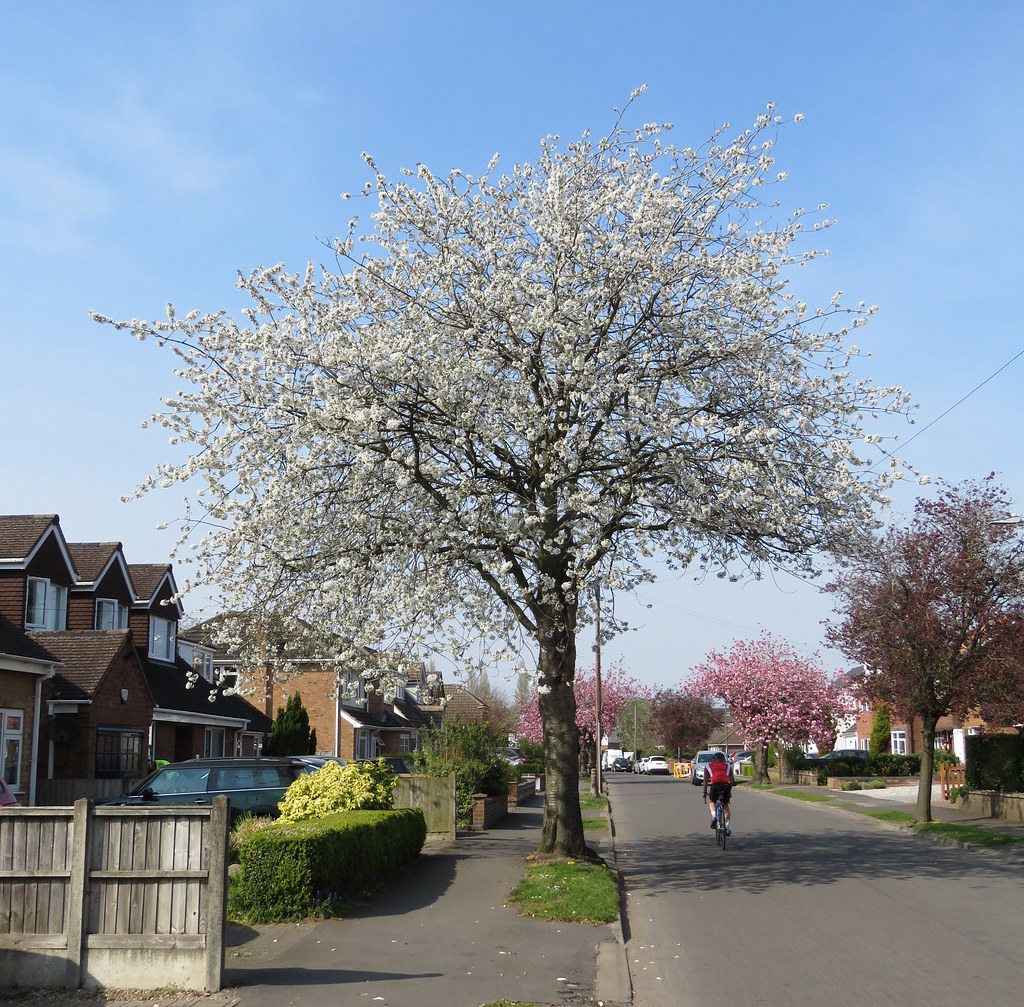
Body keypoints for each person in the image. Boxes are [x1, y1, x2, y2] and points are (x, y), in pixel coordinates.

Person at [702, 751, 734, 835]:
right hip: (726, 786)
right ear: (723, 759)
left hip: (715, 786)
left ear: (714, 760)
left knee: (712, 802)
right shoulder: (728, 767)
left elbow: (705, 780)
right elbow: (731, 781)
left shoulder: (708, 766)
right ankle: (727, 828)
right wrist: (729, 791)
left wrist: (704, 792)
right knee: (725, 805)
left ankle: (714, 817)